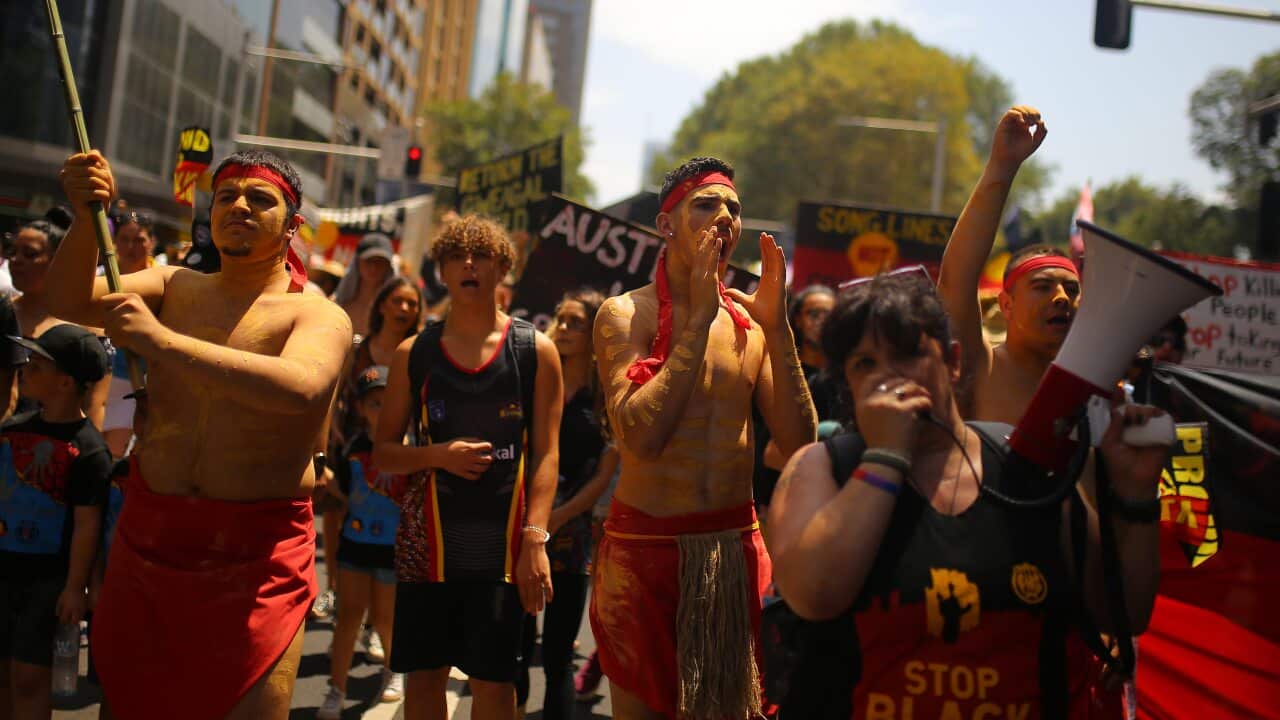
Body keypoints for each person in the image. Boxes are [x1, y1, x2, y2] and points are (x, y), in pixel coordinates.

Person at [767, 271, 1168, 718]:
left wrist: (1135, 494)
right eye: (865, 364)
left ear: (954, 362)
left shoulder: (1025, 470)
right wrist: (884, 457)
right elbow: (815, 595)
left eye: (910, 354)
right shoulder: (820, 467)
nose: (888, 376)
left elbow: (1123, 612)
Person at [49, 148, 352, 719]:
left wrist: (160, 342)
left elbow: (301, 388)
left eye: (259, 198)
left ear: (292, 225)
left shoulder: (314, 314)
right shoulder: (174, 285)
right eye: (227, 196)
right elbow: (66, 300)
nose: (238, 205)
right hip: (149, 545)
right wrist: (87, 216)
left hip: (257, 562)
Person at [588, 157, 816, 719]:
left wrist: (779, 327)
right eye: (707, 204)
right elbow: (640, 438)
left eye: (733, 208)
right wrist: (694, 323)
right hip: (646, 558)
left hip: (732, 550)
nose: (724, 217)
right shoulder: (624, 315)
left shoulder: (751, 324)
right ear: (667, 226)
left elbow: (799, 440)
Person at [373, 215, 562, 720]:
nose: (470, 265)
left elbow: (547, 453)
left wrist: (535, 539)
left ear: (504, 268)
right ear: (441, 270)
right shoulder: (415, 353)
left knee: (496, 687)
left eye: (483, 257)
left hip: (502, 547)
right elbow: (383, 452)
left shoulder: (535, 351)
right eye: (457, 256)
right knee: (424, 679)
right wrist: (437, 455)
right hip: (427, 544)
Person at [515, 288, 620, 720]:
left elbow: (603, 474)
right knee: (515, 647)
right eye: (561, 318)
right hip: (520, 525)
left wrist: (558, 517)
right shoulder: (530, 376)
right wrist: (534, 519)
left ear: (596, 334)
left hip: (571, 532)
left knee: (558, 655)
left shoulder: (607, 394)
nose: (564, 327)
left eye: (577, 322)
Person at [0, 324, 112, 719]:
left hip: (48, 580)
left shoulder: (89, 450)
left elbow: (87, 524)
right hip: (4, 568)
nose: (26, 368)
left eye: (37, 364)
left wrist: (75, 586)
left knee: (30, 677)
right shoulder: (11, 432)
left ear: (65, 383)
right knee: (3, 675)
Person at [318, 365, 406, 718]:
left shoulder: (408, 449)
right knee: (348, 619)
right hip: (354, 547)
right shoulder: (351, 448)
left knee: (385, 619)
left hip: (391, 551)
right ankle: (336, 689)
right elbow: (338, 497)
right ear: (359, 408)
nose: (381, 410)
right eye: (374, 403)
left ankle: (393, 671)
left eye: (389, 402)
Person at [8, 219, 110, 429]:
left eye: (30, 254)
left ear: (57, 261)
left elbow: (95, 403)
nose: (16, 260)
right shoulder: (4, 313)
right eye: (13, 251)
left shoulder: (86, 327)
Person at [100, 210, 157, 458]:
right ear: (114, 242)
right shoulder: (99, 279)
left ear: (151, 242)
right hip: (100, 378)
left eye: (139, 240)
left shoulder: (167, 282)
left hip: (138, 383)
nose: (131, 247)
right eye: (125, 239)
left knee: (116, 453)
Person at [334, 233, 398, 338]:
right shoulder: (338, 303)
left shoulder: (395, 311)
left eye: (380, 262)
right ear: (357, 262)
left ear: (388, 266)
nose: (374, 267)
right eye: (369, 261)